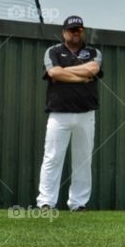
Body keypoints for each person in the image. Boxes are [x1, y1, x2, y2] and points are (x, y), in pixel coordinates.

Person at [36, 15, 102, 212]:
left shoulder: (93, 52)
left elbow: (93, 68)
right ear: (64, 32)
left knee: (83, 159)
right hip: (59, 113)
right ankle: (46, 202)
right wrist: (81, 78)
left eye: (79, 30)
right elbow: (54, 73)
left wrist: (66, 73)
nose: (76, 33)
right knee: (52, 157)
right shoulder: (53, 51)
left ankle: (78, 203)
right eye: (72, 30)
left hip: (86, 113)